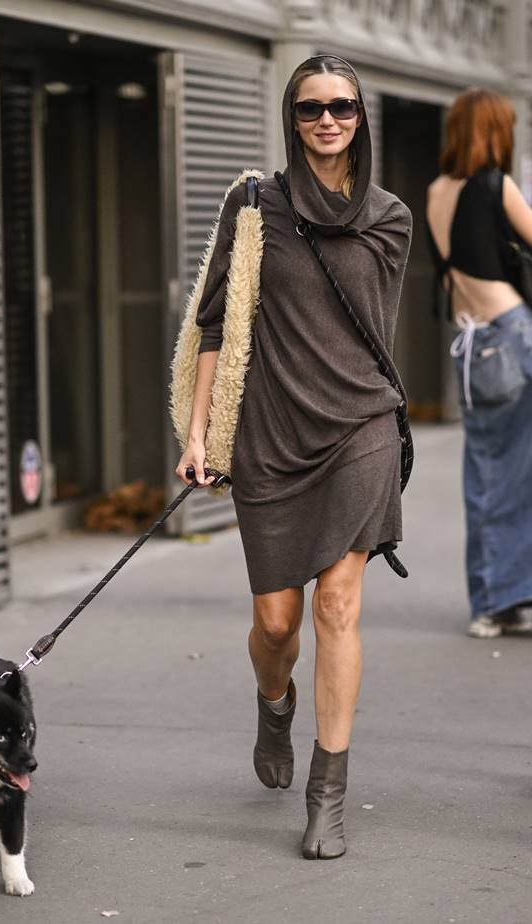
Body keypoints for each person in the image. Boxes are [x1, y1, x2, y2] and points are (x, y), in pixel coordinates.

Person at [175, 54, 412, 860]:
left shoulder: (390, 218)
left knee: (335, 606)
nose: (327, 121)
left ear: (360, 117)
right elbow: (214, 324)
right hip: (272, 436)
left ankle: (328, 793)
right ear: (292, 116)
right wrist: (198, 436)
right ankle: (273, 703)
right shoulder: (253, 208)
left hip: (360, 429)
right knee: (276, 624)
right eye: (310, 109)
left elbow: (372, 332)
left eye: (342, 107)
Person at [426, 88, 532, 639]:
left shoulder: (437, 191)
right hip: (511, 334)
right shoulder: (495, 184)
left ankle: (503, 595)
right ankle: (495, 599)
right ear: (492, 131)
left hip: (471, 342)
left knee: (493, 468)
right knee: (504, 471)